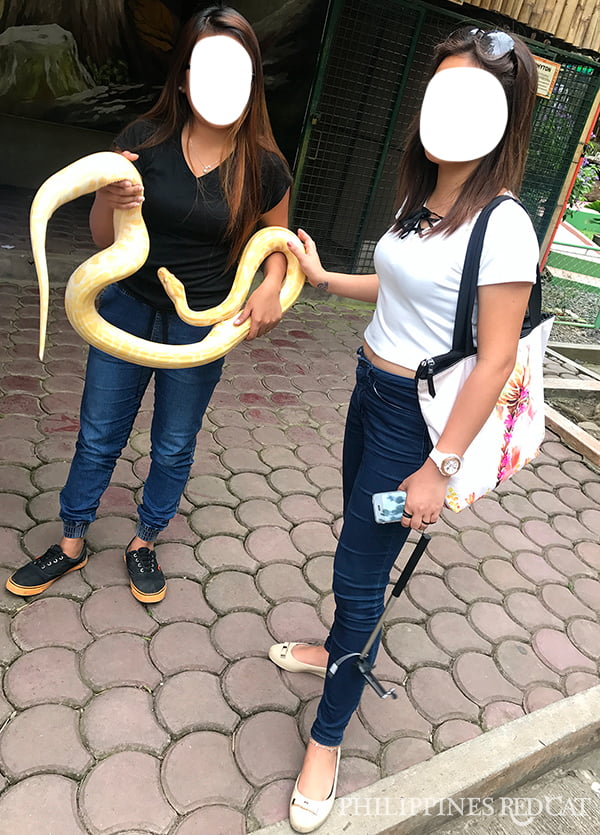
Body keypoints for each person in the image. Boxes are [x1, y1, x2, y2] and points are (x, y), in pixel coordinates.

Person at [269, 27, 539, 833]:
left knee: (360, 577)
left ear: (501, 118)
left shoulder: (504, 226)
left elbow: (493, 362)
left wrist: (439, 467)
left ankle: (328, 736)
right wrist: (320, 279)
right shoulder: (423, 201)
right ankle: (333, 648)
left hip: (415, 425)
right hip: (366, 393)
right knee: (357, 550)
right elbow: (394, 291)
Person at [6, 5, 291, 604]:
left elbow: (279, 247)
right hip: (126, 308)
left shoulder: (265, 167)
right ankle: (73, 539)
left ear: (251, 82)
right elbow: (104, 241)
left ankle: (145, 542)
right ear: (183, 77)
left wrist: (269, 287)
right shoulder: (141, 139)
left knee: (174, 442)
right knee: (98, 434)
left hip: (202, 327)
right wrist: (112, 197)